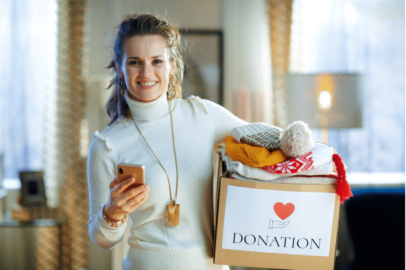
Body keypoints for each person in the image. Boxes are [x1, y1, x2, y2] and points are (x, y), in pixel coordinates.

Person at [87, 13, 246, 270]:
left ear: (171, 65)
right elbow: (102, 240)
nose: (146, 73)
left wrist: (309, 145)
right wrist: (112, 213)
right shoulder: (107, 145)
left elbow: (267, 138)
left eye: (157, 61)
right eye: (135, 62)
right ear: (119, 68)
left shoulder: (204, 115)